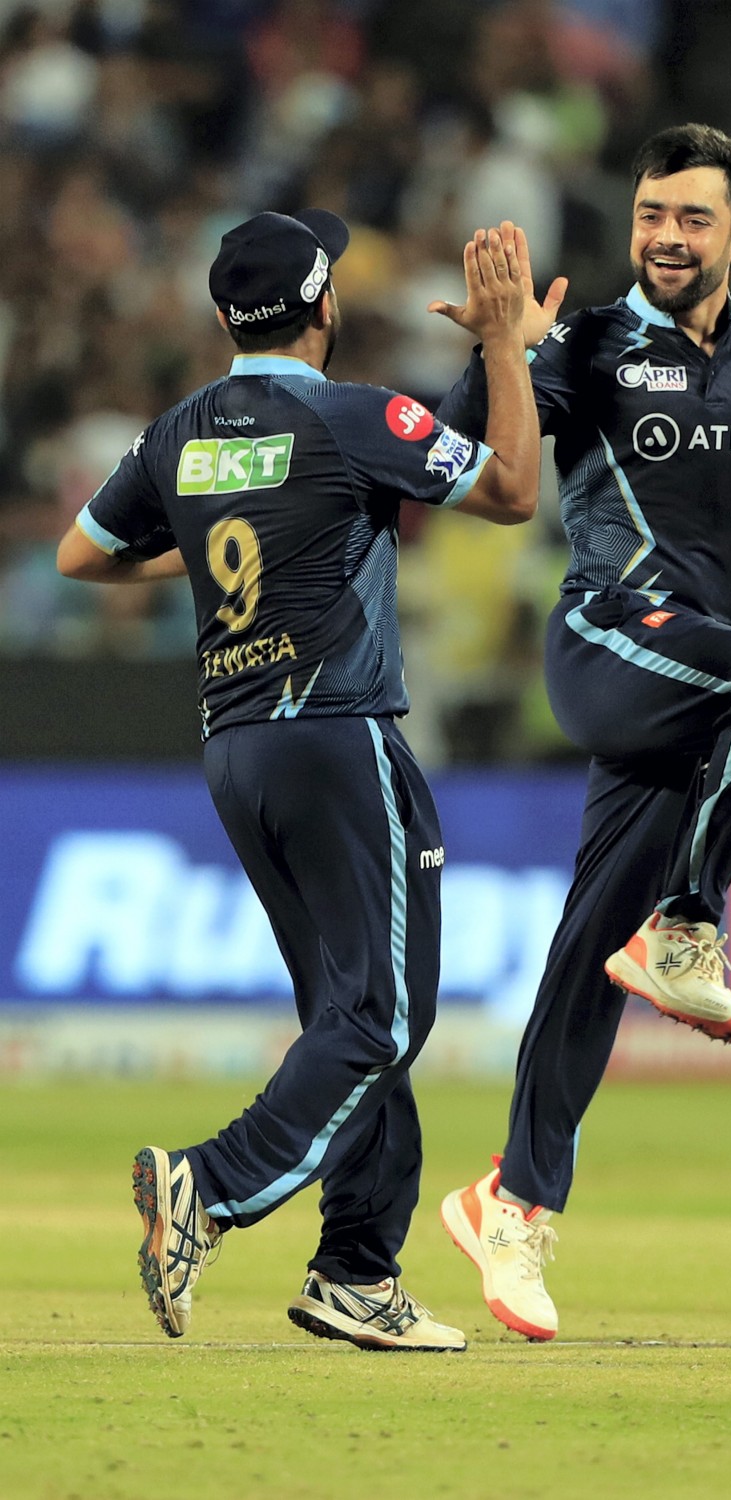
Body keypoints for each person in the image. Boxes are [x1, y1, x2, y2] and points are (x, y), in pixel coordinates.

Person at [436, 122, 731, 1341]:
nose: (665, 238)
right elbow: (475, 456)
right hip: (606, 640)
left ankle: (513, 1202)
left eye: (692, 220)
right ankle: (691, 925)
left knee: (590, 952)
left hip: (696, 681)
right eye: (650, 215)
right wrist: (498, 349)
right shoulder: (586, 339)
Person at [56, 208, 540, 1351]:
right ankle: (207, 1188)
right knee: (381, 1018)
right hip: (335, 730)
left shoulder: (179, 430)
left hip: (234, 747)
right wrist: (508, 345)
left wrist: (237, 522)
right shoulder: (351, 413)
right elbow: (514, 490)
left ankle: (355, 1271)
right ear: (325, 305)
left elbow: (80, 553)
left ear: (229, 318)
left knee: (348, 1014)